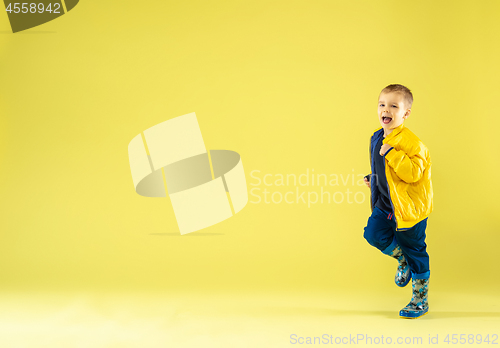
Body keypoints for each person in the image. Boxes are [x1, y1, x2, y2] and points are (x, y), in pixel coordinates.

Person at [363, 84, 433, 319]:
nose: (387, 109)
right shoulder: (377, 137)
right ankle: (401, 259)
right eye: (382, 104)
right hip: (386, 204)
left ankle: (420, 299)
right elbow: (382, 169)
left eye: (394, 106)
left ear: (406, 113)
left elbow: (413, 174)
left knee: (416, 251)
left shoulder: (413, 144)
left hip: (409, 210)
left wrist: (393, 153)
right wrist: (373, 180)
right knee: (373, 234)